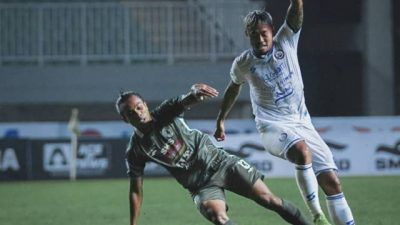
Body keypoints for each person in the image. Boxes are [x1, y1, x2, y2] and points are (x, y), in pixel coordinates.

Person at [213, 1, 355, 225]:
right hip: (272, 126)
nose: (260, 39)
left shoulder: (286, 40)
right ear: (246, 35)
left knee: (332, 182)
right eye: (253, 35)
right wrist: (221, 119)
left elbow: (295, 14)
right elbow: (233, 87)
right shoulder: (243, 63)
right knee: (301, 150)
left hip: (302, 123)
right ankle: (317, 215)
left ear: (271, 31)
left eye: (264, 33)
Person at [116, 83, 311, 225]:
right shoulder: (135, 150)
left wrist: (194, 93)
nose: (138, 113)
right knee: (219, 218)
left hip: (222, 164)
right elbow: (135, 190)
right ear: (125, 120)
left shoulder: (166, 112)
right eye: (131, 113)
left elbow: (185, 100)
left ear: (146, 105)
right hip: (200, 185)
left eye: (139, 107)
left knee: (269, 200)